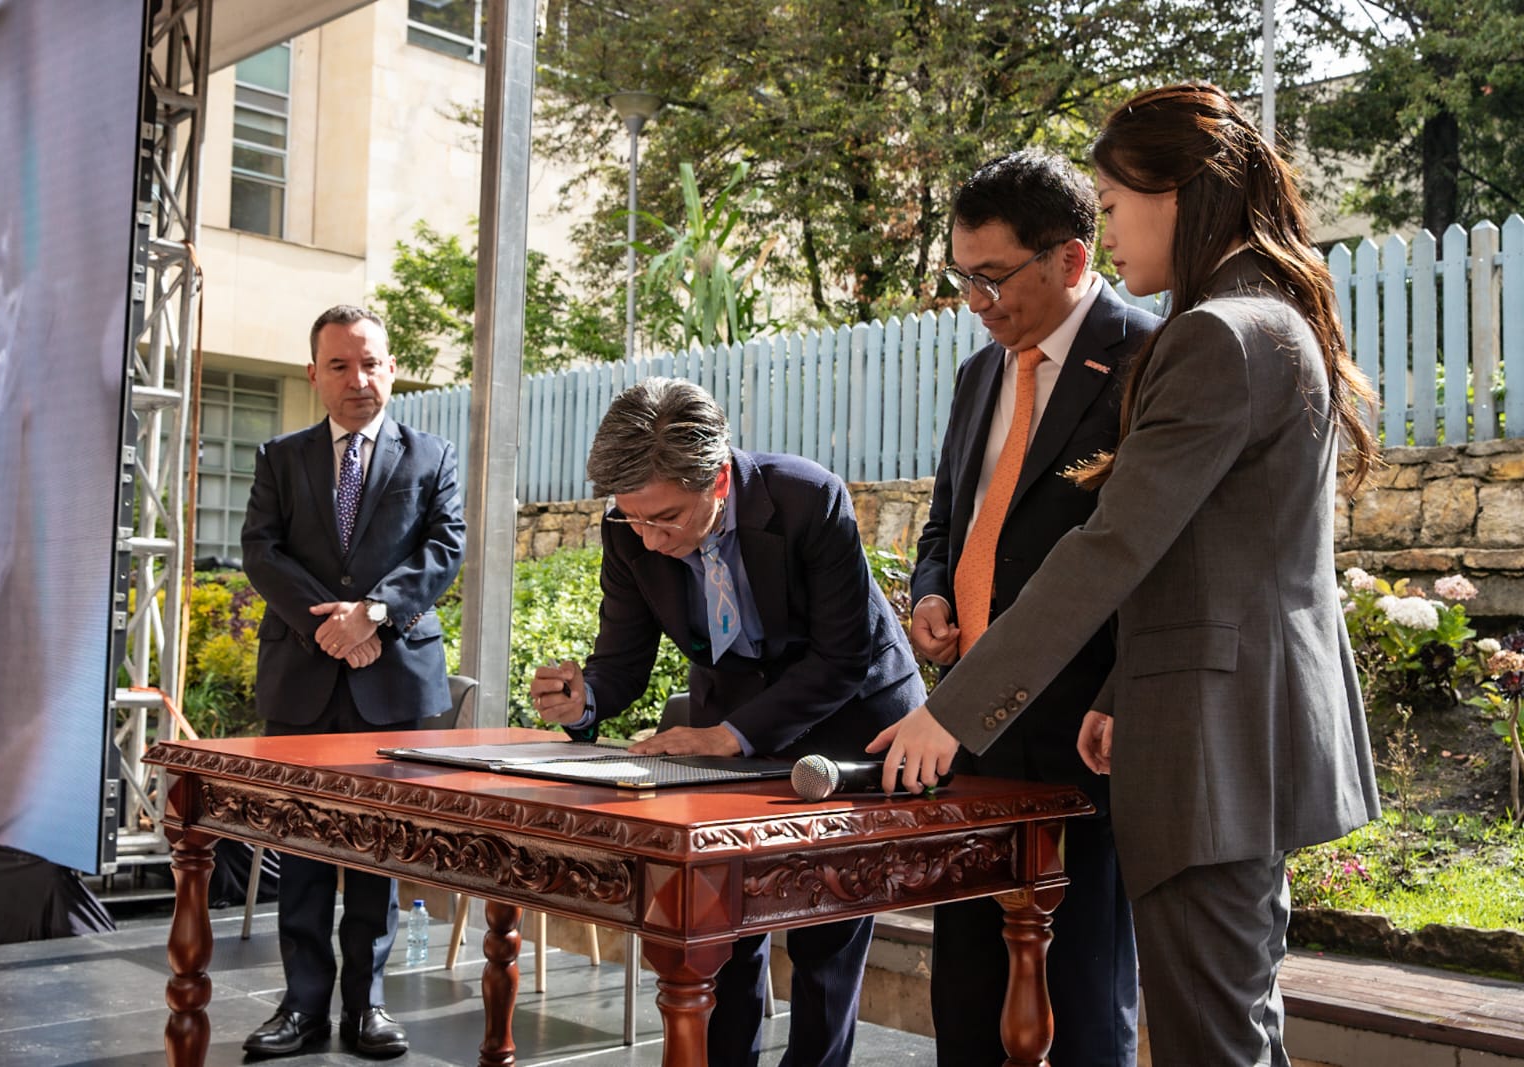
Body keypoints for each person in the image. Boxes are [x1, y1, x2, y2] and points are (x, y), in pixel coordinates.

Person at [870, 83, 1381, 1066]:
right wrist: (1120, 683)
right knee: (1230, 1028)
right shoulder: (1264, 320)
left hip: (1210, 749)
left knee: (1206, 1041)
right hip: (1218, 730)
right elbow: (1204, 553)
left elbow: (1112, 544)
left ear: (1176, 192)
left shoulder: (1210, 334)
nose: (1103, 236)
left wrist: (952, 709)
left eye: (1108, 207)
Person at [530, 377, 925, 1067]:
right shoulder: (628, 529)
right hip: (733, 723)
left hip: (850, 721)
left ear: (717, 479)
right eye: (635, 520)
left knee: (823, 933)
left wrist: (726, 736)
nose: (649, 540)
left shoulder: (808, 498)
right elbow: (621, 662)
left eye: (667, 519)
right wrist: (583, 698)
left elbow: (843, 656)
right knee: (721, 929)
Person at [912, 150, 1158, 1067]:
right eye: (961, 278)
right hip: (967, 723)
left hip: (1082, 723)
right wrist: (932, 589)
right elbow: (949, 517)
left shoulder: (1149, 359)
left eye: (992, 278)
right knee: (968, 994)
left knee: (1084, 990)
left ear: (1070, 258)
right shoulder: (984, 372)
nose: (976, 302)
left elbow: (1150, 553)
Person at [240, 304, 466, 1059]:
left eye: (370, 363)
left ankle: (366, 1005)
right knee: (302, 850)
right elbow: (261, 551)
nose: (357, 379)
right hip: (303, 680)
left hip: (393, 683)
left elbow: (445, 546)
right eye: (339, 365)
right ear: (314, 374)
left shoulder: (432, 456)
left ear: (392, 368)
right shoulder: (281, 456)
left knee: (377, 852)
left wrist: (371, 612)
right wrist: (326, 626)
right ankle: (302, 1005)